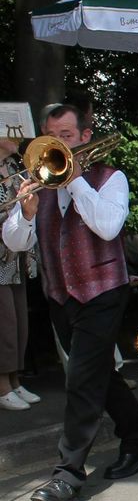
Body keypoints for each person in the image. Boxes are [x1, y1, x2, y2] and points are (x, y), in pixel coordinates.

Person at [4, 104, 138, 501]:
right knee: (98, 372)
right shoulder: (39, 183)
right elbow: (17, 243)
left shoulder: (110, 178)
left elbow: (107, 227)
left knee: (82, 378)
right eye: (51, 137)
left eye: (66, 136)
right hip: (60, 294)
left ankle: (67, 474)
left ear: (86, 137)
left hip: (103, 291)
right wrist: (26, 213)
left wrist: (75, 183)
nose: (57, 144)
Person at [0, 140, 37, 411]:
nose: (17, 137)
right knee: (4, 325)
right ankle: (2, 385)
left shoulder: (13, 167)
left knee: (19, 323)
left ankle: (14, 381)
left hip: (17, 257)